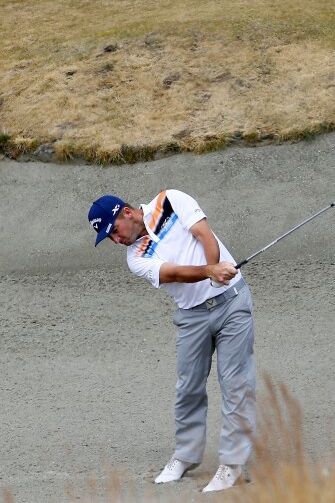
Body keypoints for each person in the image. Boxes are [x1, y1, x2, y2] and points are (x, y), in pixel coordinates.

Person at [88, 190, 255, 493]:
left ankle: (232, 464)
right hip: (192, 316)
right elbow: (174, 273)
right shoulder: (135, 258)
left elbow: (204, 235)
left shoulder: (170, 200)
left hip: (232, 303)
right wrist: (209, 272)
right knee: (188, 386)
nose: (116, 240)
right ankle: (186, 455)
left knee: (235, 383)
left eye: (113, 230)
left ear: (126, 212)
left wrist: (215, 268)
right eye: (109, 238)